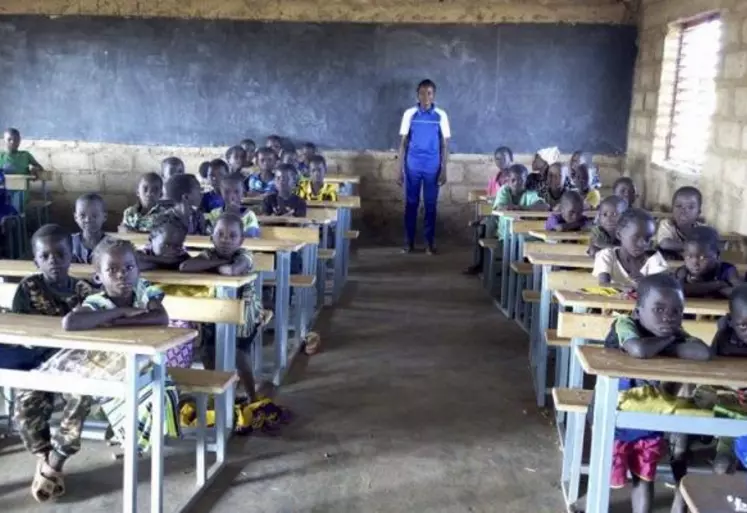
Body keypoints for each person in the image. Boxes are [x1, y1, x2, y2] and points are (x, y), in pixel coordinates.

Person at [603, 273, 711, 513]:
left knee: (645, 476)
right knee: (609, 475)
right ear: (638, 309)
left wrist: (667, 339)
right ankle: (586, 505)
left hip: (650, 417)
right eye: (659, 310)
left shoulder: (672, 330)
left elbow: (702, 353)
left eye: (676, 312)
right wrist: (671, 341)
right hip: (613, 413)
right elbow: (639, 349)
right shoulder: (624, 323)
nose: (668, 318)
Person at [60, 238, 180, 454]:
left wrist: (114, 323)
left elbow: (161, 318)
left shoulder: (145, 291)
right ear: (98, 277)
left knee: (163, 391)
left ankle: (136, 439)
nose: (122, 274)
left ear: (138, 271)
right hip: (108, 369)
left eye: (129, 267)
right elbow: (70, 322)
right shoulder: (97, 302)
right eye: (112, 269)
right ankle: (130, 437)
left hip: (142, 365)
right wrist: (119, 312)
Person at [9, 224, 96, 502]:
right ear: (35, 261)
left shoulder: (84, 291)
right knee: (25, 408)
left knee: (81, 398)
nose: (53, 261)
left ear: (71, 255)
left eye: (60, 254)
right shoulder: (28, 288)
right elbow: (21, 329)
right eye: (45, 256)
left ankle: (56, 461)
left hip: (73, 364)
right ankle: (44, 458)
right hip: (37, 362)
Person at [180, 213, 284, 431]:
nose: (225, 240)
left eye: (232, 235)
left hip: (244, 316)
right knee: (208, 351)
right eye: (220, 234)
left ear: (241, 240)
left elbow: (232, 271)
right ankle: (216, 393)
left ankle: (251, 394)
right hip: (215, 312)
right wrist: (215, 261)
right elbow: (185, 268)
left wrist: (212, 264)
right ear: (212, 237)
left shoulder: (245, 255)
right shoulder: (210, 254)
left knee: (237, 353)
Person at [397, 79, 451, 255]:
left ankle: (429, 243)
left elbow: (445, 144)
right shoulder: (409, 114)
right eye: (422, 93)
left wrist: (444, 169)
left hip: (432, 167)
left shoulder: (441, 115)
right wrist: (399, 169)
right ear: (417, 95)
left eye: (429, 93)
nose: (425, 97)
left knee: (430, 205)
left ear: (434, 95)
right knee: (411, 204)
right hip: (412, 166)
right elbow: (403, 143)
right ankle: (408, 242)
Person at [593, 208, 668, 288]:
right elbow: (604, 285)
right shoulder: (607, 255)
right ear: (619, 235)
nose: (643, 243)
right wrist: (632, 287)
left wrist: (644, 284)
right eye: (636, 237)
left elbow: (660, 288)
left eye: (647, 238)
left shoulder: (653, 257)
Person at [673, 225, 740, 298]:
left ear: (717, 255)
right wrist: (718, 285)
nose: (695, 263)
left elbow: (740, 293)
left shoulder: (727, 270)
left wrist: (697, 288)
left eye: (702, 257)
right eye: (689, 256)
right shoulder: (683, 271)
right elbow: (678, 290)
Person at [205, 172, 260, 237]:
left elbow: (251, 237)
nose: (231, 196)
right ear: (221, 192)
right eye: (227, 192)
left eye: (236, 192)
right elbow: (208, 232)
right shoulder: (214, 214)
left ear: (243, 193)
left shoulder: (249, 216)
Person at [656, 186, 704, 259]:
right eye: (679, 206)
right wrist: (691, 247)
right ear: (672, 209)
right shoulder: (667, 224)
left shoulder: (701, 229)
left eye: (690, 207)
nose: (684, 211)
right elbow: (664, 243)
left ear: (698, 212)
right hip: (669, 264)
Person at [71, 193, 108, 264]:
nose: (87, 220)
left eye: (94, 215)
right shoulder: (68, 243)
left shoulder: (112, 245)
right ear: (75, 217)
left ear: (104, 217)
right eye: (82, 215)